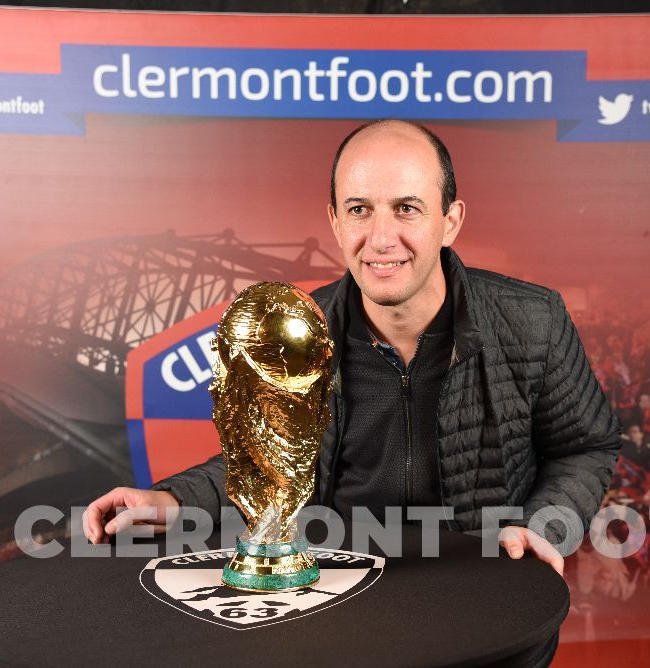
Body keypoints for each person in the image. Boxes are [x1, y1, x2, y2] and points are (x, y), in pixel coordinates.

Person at [86, 119, 622, 580]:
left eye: (407, 208)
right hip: (340, 603)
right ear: (335, 222)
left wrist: (542, 525)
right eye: (360, 209)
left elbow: (585, 447)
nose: (381, 237)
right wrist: (172, 501)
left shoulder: (533, 319)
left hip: (486, 596)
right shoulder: (294, 332)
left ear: (450, 221)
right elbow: (268, 466)